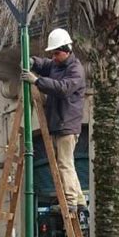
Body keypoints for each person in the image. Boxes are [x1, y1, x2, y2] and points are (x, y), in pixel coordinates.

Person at [21, 28, 87, 213]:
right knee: (67, 163)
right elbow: (45, 64)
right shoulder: (57, 65)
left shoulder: (76, 69)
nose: (54, 56)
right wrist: (33, 61)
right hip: (60, 123)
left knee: (64, 163)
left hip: (67, 124)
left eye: (57, 53)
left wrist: (36, 81)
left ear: (67, 50)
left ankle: (70, 202)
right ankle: (79, 199)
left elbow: (63, 88)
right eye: (53, 53)